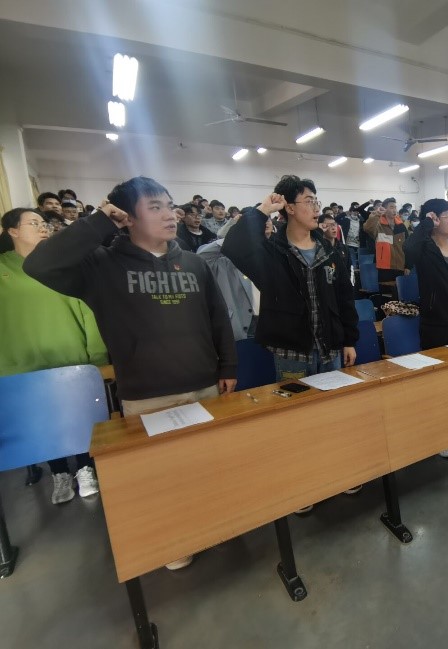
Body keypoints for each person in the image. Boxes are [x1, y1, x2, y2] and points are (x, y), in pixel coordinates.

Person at [24, 177, 237, 568]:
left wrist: (227, 364)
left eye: (169, 205)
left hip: (204, 384)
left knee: (207, 467)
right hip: (147, 394)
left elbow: (218, 317)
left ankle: (212, 526)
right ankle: (175, 542)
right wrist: (99, 221)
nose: (170, 214)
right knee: (162, 476)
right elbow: (38, 264)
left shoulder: (192, 262)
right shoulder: (102, 265)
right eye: (155, 207)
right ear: (127, 217)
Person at [222, 175, 360, 508]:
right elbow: (234, 246)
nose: (316, 208)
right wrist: (261, 211)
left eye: (316, 200)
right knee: (296, 420)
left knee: (332, 415)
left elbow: (345, 298)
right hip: (291, 353)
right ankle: (303, 484)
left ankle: (337, 471)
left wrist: (349, 339)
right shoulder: (272, 253)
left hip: (329, 349)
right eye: (309, 201)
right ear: (289, 208)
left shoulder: (330, 251)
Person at [0, 208, 108, 504]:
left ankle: (86, 468)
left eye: (44, 223)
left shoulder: (64, 265)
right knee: (43, 425)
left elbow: (89, 310)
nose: (43, 228)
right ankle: (59, 472)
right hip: (21, 366)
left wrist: (97, 356)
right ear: (12, 231)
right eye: (33, 223)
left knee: (81, 420)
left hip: (71, 360)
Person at [404, 198, 448, 459]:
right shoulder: (424, 248)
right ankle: (441, 436)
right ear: (434, 219)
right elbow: (408, 251)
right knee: (437, 385)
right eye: (447, 215)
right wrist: (425, 224)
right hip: (434, 324)